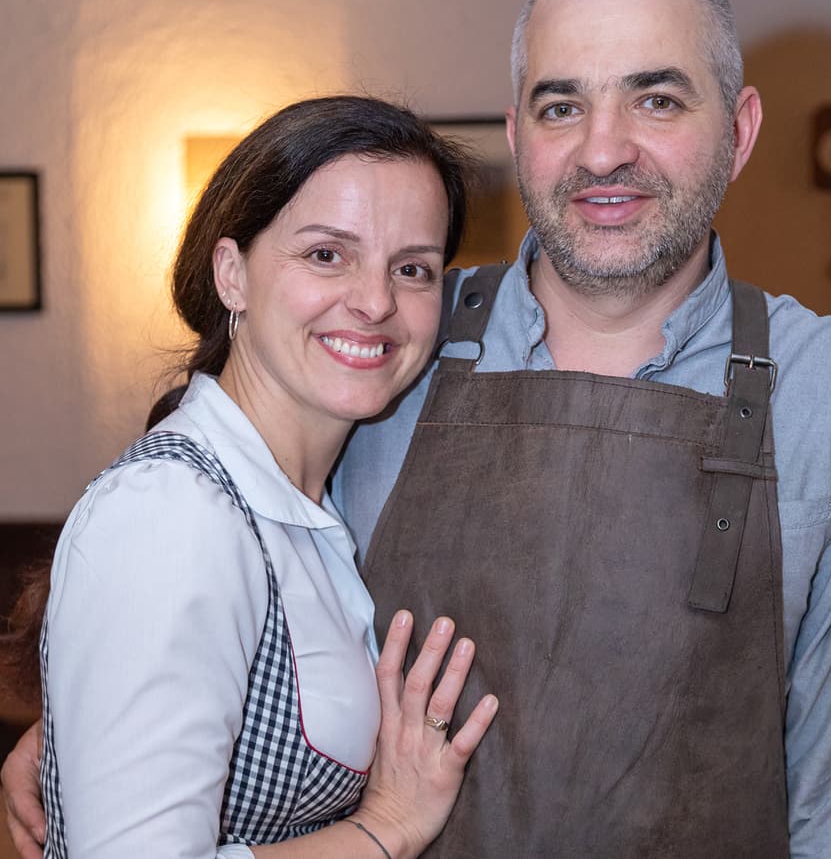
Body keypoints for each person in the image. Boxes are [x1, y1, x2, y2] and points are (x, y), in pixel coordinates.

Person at [4, 0, 831, 859]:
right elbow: (202, 565)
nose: (604, 150)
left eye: (655, 98)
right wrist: (87, 730)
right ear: (519, 131)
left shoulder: (825, 389)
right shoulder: (393, 344)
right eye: (562, 104)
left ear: (739, 130)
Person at [3, 94, 498, 858]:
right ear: (232, 273)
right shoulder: (171, 511)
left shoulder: (314, 498)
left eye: (413, 268)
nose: (375, 302)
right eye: (326, 254)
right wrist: (386, 826)